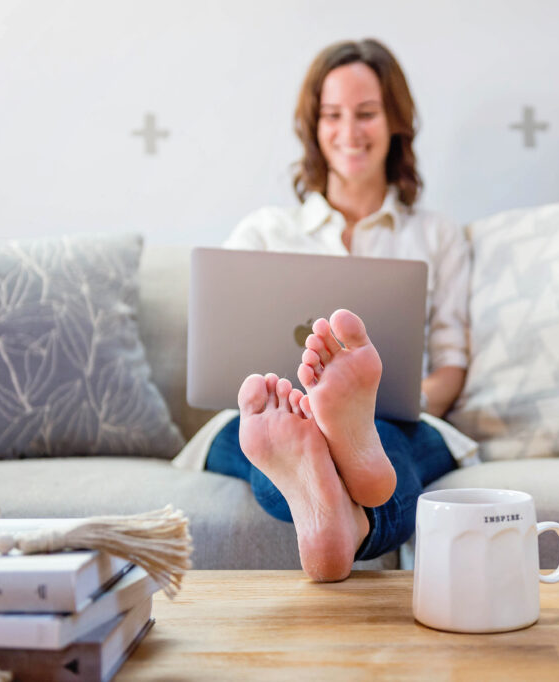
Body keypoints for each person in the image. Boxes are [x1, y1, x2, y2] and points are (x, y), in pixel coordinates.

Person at [172, 38, 475, 582]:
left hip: (401, 419)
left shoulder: (436, 235)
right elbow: (216, 351)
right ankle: (348, 512)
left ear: (396, 122)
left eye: (366, 114)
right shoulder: (265, 231)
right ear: (313, 126)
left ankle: (334, 483)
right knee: (274, 439)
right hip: (265, 416)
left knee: (384, 439)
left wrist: (406, 399)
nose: (349, 132)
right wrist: (291, 411)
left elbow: (452, 364)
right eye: (332, 116)